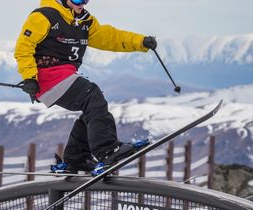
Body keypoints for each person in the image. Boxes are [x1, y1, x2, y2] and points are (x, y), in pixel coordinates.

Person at [14, 0, 157, 173]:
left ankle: (76, 158)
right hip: (47, 77)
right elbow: (24, 47)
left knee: (92, 108)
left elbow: (110, 37)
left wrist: (141, 42)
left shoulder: (84, 21)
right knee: (92, 96)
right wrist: (30, 78)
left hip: (65, 76)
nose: (82, 3)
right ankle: (107, 150)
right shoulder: (44, 16)